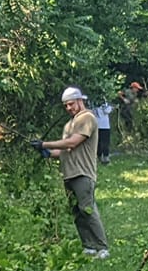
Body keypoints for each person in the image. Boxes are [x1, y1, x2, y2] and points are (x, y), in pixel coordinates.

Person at [39, 85, 110, 259]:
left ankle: (102, 247)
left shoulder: (87, 118)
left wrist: (45, 144)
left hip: (82, 173)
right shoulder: (69, 124)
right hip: (68, 173)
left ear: (80, 100)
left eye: (71, 104)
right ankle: (89, 246)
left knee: (87, 209)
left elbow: (73, 142)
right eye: (66, 106)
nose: (69, 108)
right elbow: (64, 150)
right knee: (77, 213)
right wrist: (46, 153)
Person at [94, 95, 115, 163]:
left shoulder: (93, 105)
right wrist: (111, 108)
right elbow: (107, 110)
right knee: (105, 142)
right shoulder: (104, 104)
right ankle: (105, 157)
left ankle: (99, 156)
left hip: (97, 125)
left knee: (98, 142)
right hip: (105, 126)